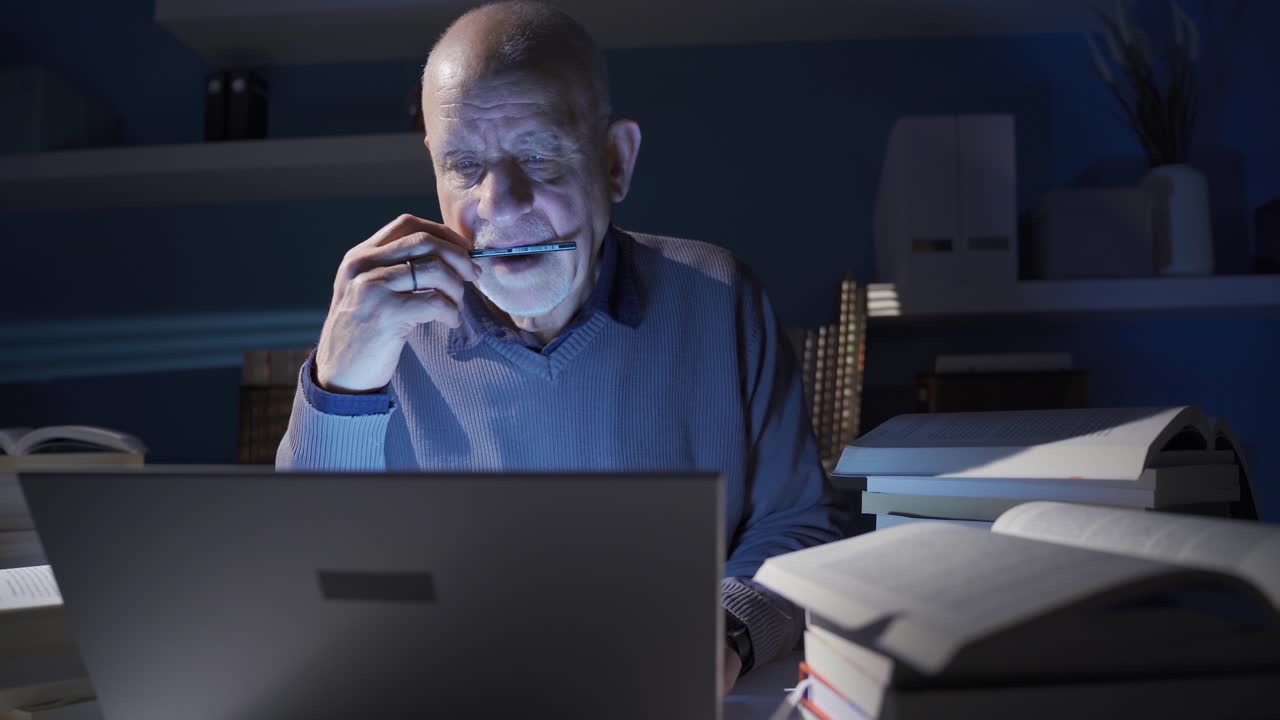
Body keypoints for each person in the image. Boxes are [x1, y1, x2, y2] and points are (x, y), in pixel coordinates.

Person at [277, 0, 845, 696]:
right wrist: (339, 389)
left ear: (614, 161)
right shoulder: (381, 334)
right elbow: (317, 580)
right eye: (464, 164)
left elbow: (797, 525)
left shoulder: (720, 298)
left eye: (540, 155)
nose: (502, 205)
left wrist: (726, 630)